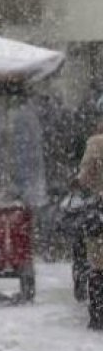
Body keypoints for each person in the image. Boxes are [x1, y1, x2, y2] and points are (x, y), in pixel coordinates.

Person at [73, 118, 103, 329]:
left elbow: (84, 177)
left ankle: (98, 316)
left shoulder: (96, 143)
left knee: (98, 264)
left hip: (100, 206)